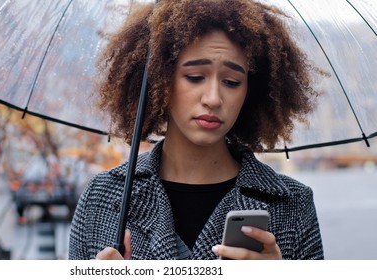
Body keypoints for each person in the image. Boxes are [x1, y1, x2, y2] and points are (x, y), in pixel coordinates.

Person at [69, 0, 324, 260]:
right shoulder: (101, 198)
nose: (213, 98)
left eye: (231, 82)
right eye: (195, 77)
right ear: (160, 79)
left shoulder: (293, 204)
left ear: (251, 91)